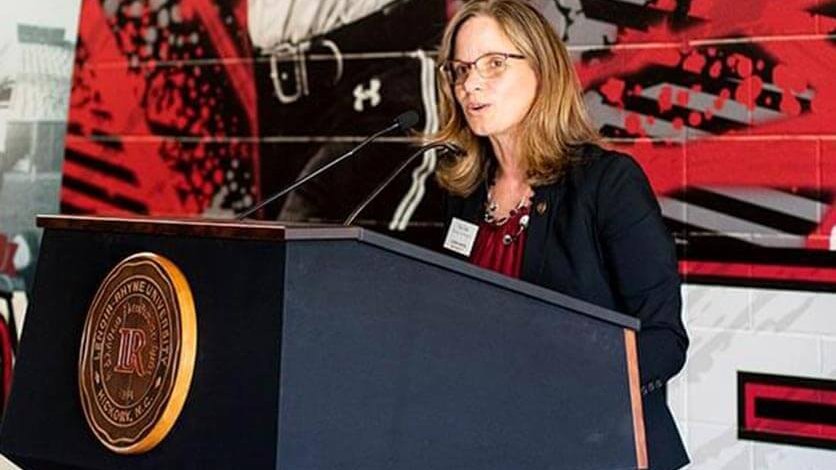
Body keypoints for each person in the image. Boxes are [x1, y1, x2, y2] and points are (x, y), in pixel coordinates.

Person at [432, 1, 689, 469]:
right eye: (459, 69)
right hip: (492, 443)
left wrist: (567, 389)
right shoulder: (464, 193)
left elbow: (664, 339)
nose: (469, 85)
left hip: (595, 447)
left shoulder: (608, 183)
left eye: (493, 64)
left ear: (543, 69)